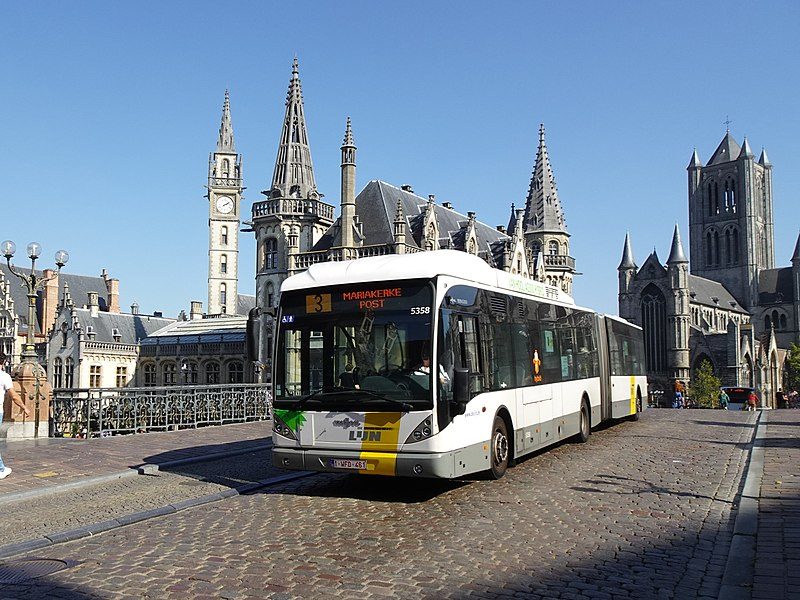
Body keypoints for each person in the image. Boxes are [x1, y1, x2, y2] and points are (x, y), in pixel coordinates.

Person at [0, 351, 30, 480]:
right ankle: (1, 469)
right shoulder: (4, 376)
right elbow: (14, 396)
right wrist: (25, 408)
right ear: (3, 362)